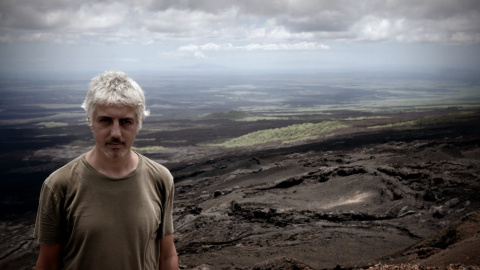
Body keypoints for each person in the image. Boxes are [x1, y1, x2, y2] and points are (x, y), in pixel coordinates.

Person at [33, 71, 178, 270]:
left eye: (126, 121)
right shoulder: (59, 185)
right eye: (105, 120)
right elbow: (47, 263)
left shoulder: (160, 179)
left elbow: (167, 256)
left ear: (139, 123)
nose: (116, 133)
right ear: (90, 121)